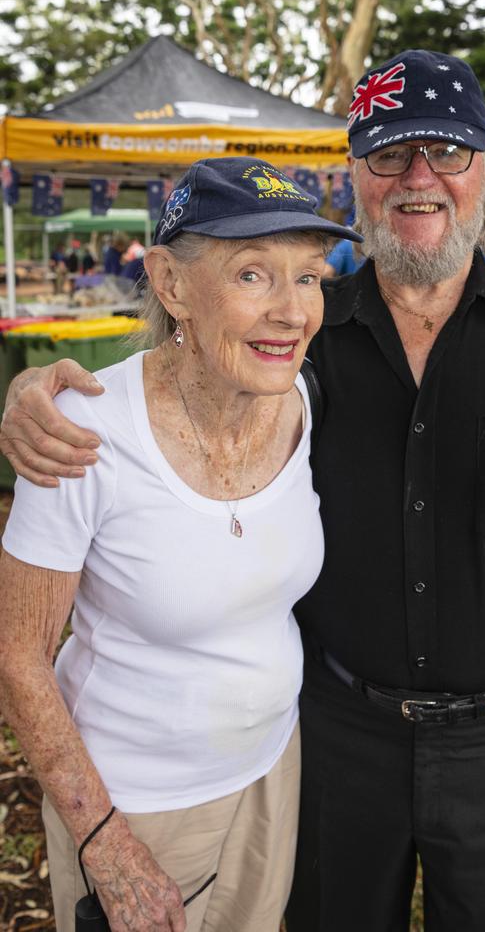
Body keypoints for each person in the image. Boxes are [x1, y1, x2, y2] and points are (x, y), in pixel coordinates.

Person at [1, 51, 485, 932]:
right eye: (389, 155)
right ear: (356, 177)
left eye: (447, 152)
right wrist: (32, 391)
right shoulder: (304, 349)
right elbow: (174, 380)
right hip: (338, 740)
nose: (418, 178)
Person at [0, 157, 361, 932]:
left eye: (309, 277)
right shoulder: (84, 435)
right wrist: (104, 841)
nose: (293, 311)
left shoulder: (300, 395)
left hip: (272, 767)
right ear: (169, 285)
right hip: (138, 804)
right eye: (253, 275)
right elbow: (17, 653)